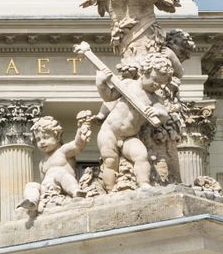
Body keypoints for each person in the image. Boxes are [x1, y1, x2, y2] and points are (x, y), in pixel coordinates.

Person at [93, 54, 174, 191]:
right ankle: (110, 189)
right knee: (110, 161)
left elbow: (164, 115)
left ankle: (144, 184)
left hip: (129, 137)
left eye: (161, 83)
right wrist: (101, 84)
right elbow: (109, 96)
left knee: (141, 155)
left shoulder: (154, 98)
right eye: (155, 80)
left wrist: (157, 112)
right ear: (144, 71)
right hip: (109, 132)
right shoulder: (128, 84)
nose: (157, 85)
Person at [19, 113, 93, 214]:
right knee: (31, 185)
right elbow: (43, 180)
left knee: (59, 172)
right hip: (48, 189)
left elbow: (77, 145)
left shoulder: (63, 151)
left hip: (64, 186)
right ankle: (32, 202)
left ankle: (76, 191)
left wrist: (81, 129)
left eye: (46, 137)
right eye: (38, 139)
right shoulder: (42, 163)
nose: (42, 142)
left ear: (57, 137)